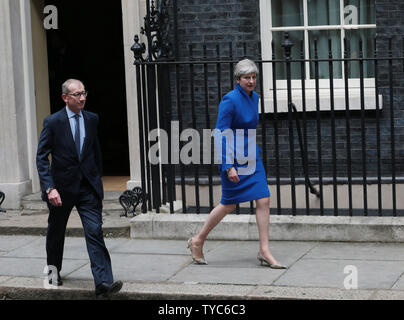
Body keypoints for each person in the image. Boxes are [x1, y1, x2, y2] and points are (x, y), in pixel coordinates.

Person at [187, 59, 286, 269]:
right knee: (229, 204)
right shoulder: (229, 100)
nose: (251, 81)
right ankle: (198, 240)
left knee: (264, 199)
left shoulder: (255, 97)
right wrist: (228, 165)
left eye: (253, 77)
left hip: (251, 156)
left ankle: (264, 250)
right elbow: (220, 133)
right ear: (238, 79)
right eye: (246, 78)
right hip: (232, 158)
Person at [36, 79, 123, 298]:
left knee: (95, 232)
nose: (82, 98)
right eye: (77, 94)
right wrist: (49, 188)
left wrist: (98, 183)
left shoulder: (92, 119)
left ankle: (103, 283)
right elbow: (41, 157)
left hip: (87, 188)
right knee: (56, 233)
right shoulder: (53, 122)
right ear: (65, 97)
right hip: (61, 190)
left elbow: (95, 153)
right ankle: (53, 273)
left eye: (84, 93)